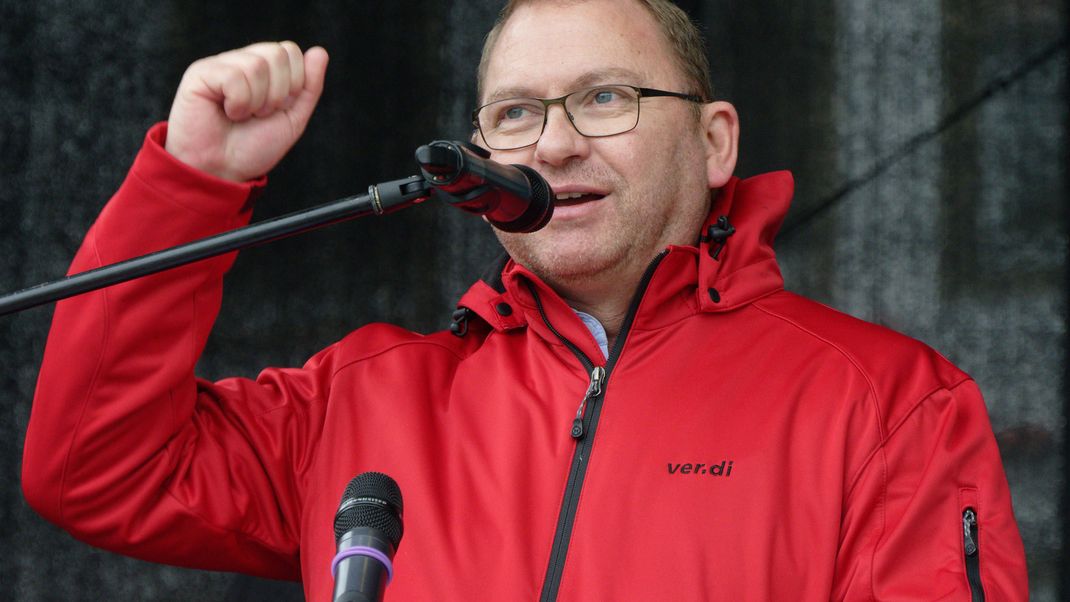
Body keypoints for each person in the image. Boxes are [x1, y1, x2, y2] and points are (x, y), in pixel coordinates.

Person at [21, 0, 1028, 600]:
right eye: (514, 113)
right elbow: (96, 468)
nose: (549, 144)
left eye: (604, 97)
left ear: (713, 141)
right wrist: (192, 179)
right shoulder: (363, 399)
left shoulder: (892, 405)